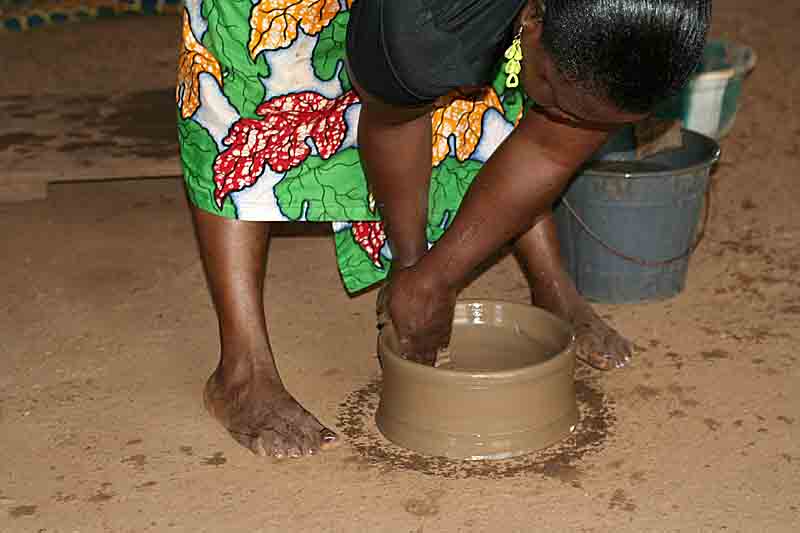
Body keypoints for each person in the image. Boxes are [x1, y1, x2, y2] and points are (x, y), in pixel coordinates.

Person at [184, 0, 711, 459]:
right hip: (434, 24)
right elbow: (394, 114)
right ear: (529, 16)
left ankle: (553, 284)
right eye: (559, 102)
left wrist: (431, 278)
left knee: (555, 73)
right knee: (250, 81)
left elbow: (551, 146)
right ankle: (242, 371)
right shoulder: (428, 21)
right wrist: (413, 264)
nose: (565, 122)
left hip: (514, 30)